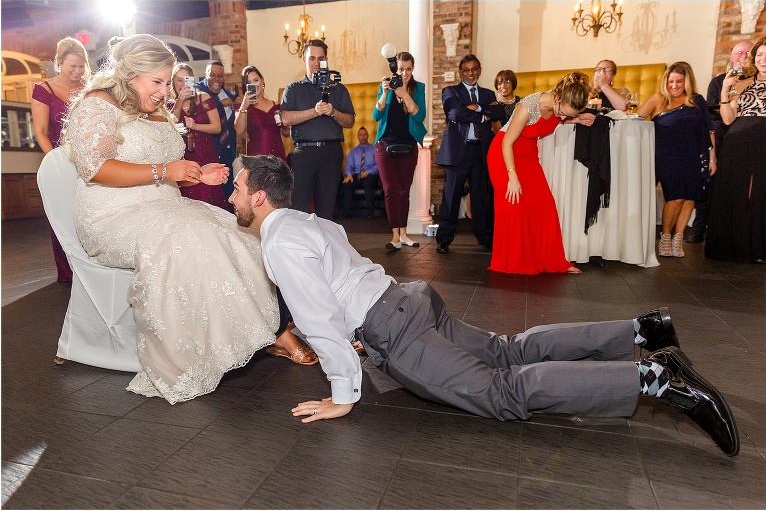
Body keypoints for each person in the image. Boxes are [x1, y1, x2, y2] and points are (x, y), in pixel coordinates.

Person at [229, 154, 740, 458]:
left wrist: (343, 393)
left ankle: (656, 379)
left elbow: (318, 317)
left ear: (259, 198)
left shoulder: (279, 241)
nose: (231, 195)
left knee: (502, 391)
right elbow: (342, 277)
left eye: (237, 187)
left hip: (394, 326)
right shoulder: (308, 221)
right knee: (507, 350)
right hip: (406, 298)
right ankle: (642, 330)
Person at [61, 34, 316, 404]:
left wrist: (194, 174)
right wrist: (168, 171)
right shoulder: (97, 104)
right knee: (192, 234)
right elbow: (96, 168)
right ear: (130, 74)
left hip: (165, 205)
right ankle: (246, 340)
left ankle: (269, 328)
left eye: (168, 82)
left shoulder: (154, 108)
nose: (165, 92)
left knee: (239, 231)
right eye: (157, 82)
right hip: (112, 213)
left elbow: (162, 170)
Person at [486, 72, 588, 275]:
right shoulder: (529, 105)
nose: (562, 117)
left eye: (567, 115)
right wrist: (512, 177)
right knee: (515, 206)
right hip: (505, 155)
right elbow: (506, 142)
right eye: (562, 113)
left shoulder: (559, 108)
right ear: (558, 97)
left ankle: (554, 259)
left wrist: (576, 119)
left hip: (529, 157)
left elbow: (553, 119)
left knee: (545, 205)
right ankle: (515, 260)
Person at [637, 62, 715, 258]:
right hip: (666, 157)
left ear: (687, 82)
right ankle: (665, 236)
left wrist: (712, 158)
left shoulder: (696, 101)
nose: (674, 85)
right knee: (676, 198)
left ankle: (678, 239)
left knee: (689, 197)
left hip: (693, 155)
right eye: (671, 81)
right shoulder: (658, 99)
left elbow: (709, 130)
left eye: (679, 81)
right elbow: (635, 119)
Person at [31, 37, 90, 283]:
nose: (77, 71)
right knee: (64, 215)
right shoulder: (43, 89)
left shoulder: (90, 88)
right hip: (60, 160)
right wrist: (57, 163)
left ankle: (92, 269)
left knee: (88, 214)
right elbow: (41, 132)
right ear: (59, 64)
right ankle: (68, 272)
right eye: (72, 66)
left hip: (89, 159)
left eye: (81, 66)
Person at [435, 55, 505, 254]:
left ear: (480, 70)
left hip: (481, 151)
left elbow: (499, 113)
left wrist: (477, 108)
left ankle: (485, 237)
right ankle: (444, 239)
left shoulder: (488, 94)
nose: (470, 73)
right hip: (457, 152)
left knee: (481, 198)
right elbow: (454, 114)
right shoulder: (451, 92)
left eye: (474, 69)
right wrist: (483, 115)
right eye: (466, 70)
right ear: (460, 72)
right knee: (451, 197)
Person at [706, 37, 766, 263]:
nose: (763, 59)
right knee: (735, 192)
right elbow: (728, 119)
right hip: (736, 144)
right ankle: (733, 248)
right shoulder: (743, 83)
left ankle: (757, 248)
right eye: (759, 54)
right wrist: (724, 91)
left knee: (757, 193)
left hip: (763, 143)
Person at [280, 40, 356, 220]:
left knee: (327, 208)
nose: (316, 63)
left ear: (326, 60)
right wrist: (314, 112)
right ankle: (299, 239)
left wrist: (334, 113)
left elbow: (350, 121)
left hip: (331, 152)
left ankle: (324, 239)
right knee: (298, 206)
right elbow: (285, 118)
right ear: (303, 60)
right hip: (303, 153)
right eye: (311, 58)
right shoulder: (293, 89)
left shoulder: (338, 89)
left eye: (320, 59)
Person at [689, 41, 755, 244]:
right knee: (709, 180)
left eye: (748, 53)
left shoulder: (756, 81)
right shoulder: (719, 81)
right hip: (721, 134)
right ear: (731, 57)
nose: (743, 56)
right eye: (739, 53)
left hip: (746, 134)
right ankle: (699, 228)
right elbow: (712, 110)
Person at [372, 51, 427, 250]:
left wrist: (404, 94)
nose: (404, 73)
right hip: (385, 146)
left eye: (408, 69)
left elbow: (420, 116)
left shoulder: (418, 88)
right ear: (395, 68)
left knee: (404, 191)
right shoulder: (385, 85)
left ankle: (404, 233)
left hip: (408, 146)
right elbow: (376, 116)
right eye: (401, 69)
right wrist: (385, 93)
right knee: (390, 190)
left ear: (413, 69)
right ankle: (395, 235)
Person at [167, 63, 228, 210]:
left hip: (207, 155)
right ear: (173, 81)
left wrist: (196, 126)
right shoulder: (169, 105)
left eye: (186, 79)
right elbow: (169, 128)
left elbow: (217, 127)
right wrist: (180, 101)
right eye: (179, 80)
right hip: (185, 159)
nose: (183, 84)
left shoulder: (204, 98)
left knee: (211, 200)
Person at [197, 60, 238, 201]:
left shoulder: (230, 95)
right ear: (206, 75)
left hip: (228, 151)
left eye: (220, 76)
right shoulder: (198, 93)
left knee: (229, 193)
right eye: (212, 75)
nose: (216, 79)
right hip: (208, 153)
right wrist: (220, 104)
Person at [234, 65, 289, 161]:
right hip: (255, 158)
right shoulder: (243, 108)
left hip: (277, 155)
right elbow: (239, 130)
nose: (254, 85)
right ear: (245, 86)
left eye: (256, 80)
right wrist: (244, 106)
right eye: (249, 83)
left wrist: (285, 126)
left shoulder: (276, 105)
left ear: (262, 80)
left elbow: (286, 133)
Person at [340, 127, 379, 220]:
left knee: (367, 182)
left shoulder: (374, 149)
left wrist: (368, 172)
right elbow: (349, 166)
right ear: (358, 137)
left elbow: (378, 165)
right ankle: (347, 213)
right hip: (357, 175)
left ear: (368, 136)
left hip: (371, 175)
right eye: (360, 135)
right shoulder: (353, 152)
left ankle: (371, 212)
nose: (363, 137)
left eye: (365, 134)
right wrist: (349, 174)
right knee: (346, 184)